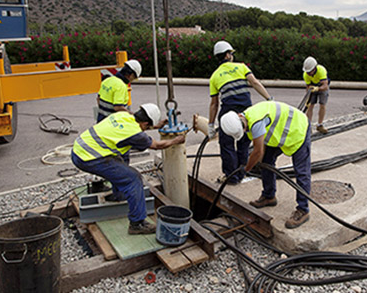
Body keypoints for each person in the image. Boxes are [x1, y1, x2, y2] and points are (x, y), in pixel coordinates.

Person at [71, 103, 185, 235]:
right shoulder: (136, 134)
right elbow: (157, 145)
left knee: (120, 162)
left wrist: (154, 125)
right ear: (145, 123)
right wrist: (176, 141)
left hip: (79, 150)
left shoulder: (123, 115)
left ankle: (118, 195)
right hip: (89, 158)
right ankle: (137, 223)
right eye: (148, 126)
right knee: (133, 178)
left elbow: (135, 129)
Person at [220, 100, 312, 229]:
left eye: (244, 128)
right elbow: (260, 148)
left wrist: (246, 169)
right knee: (266, 162)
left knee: (301, 172)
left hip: (298, 129)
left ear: (240, 116)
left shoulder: (256, 121)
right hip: (281, 133)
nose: (245, 130)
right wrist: (254, 162)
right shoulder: (247, 118)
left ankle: (303, 210)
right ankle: (269, 196)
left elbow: (257, 152)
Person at [208, 40, 273, 185]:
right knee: (244, 143)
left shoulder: (214, 76)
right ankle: (242, 172)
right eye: (231, 53)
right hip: (245, 111)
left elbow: (214, 103)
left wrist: (211, 125)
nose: (232, 55)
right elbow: (255, 83)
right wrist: (269, 98)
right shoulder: (241, 67)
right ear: (227, 55)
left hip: (227, 113)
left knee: (226, 144)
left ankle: (231, 177)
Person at [302, 56, 330, 134]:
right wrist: (308, 98)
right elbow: (308, 87)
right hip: (312, 88)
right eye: (307, 72)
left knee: (322, 105)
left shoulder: (321, 71)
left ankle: (320, 125)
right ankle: (308, 127)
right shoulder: (306, 75)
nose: (308, 73)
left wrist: (317, 89)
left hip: (322, 87)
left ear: (314, 69)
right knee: (310, 106)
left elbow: (325, 86)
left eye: (309, 72)